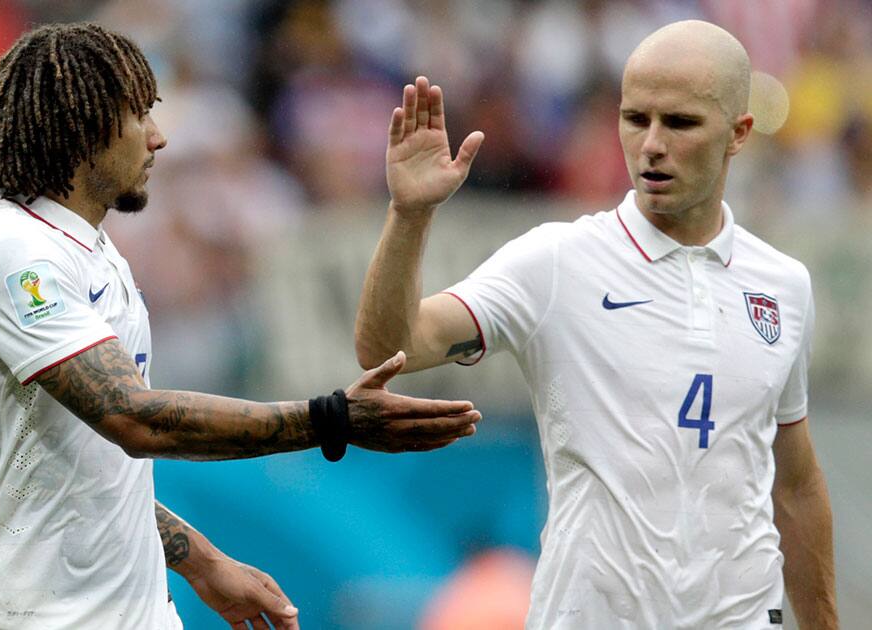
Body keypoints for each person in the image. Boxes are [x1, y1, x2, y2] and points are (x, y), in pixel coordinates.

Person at [0, 22, 481, 630]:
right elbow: (131, 419)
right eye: (139, 115)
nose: (159, 138)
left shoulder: (95, 254)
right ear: (80, 126)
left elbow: (91, 463)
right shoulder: (5, 248)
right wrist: (332, 419)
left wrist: (198, 559)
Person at [355, 20, 837, 629]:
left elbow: (794, 485)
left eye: (681, 123)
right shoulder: (558, 261)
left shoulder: (783, 285)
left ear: (738, 133)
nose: (652, 144)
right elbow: (389, 347)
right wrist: (409, 215)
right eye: (636, 119)